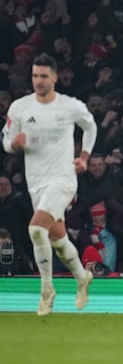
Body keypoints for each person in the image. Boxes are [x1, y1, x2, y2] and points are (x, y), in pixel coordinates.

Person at [1, 53, 96, 316]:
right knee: (57, 238)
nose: (39, 81)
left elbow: (90, 126)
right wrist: (14, 145)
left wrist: (85, 157)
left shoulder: (69, 106)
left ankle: (46, 290)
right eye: (35, 76)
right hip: (36, 183)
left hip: (64, 179)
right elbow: (6, 141)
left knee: (35, 229)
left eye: (44, 76)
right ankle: (82, 277)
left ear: (54, 77)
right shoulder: (19, 108)